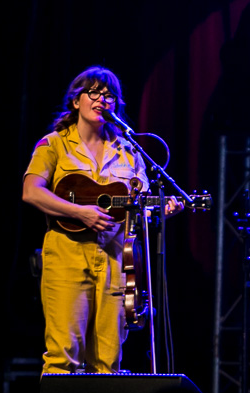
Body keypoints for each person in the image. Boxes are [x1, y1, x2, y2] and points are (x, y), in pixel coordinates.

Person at [22, 66, 179, 374]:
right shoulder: (54, 144)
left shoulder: (129, 150)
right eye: (93, 92)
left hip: (115, 259)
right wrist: (79, 212)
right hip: (66, 254)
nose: (102, 100)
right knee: (63, 356)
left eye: (109, 96)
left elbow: (139, 206)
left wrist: (160, 209)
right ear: (75, 101)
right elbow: (31, 192)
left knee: (108, 361)